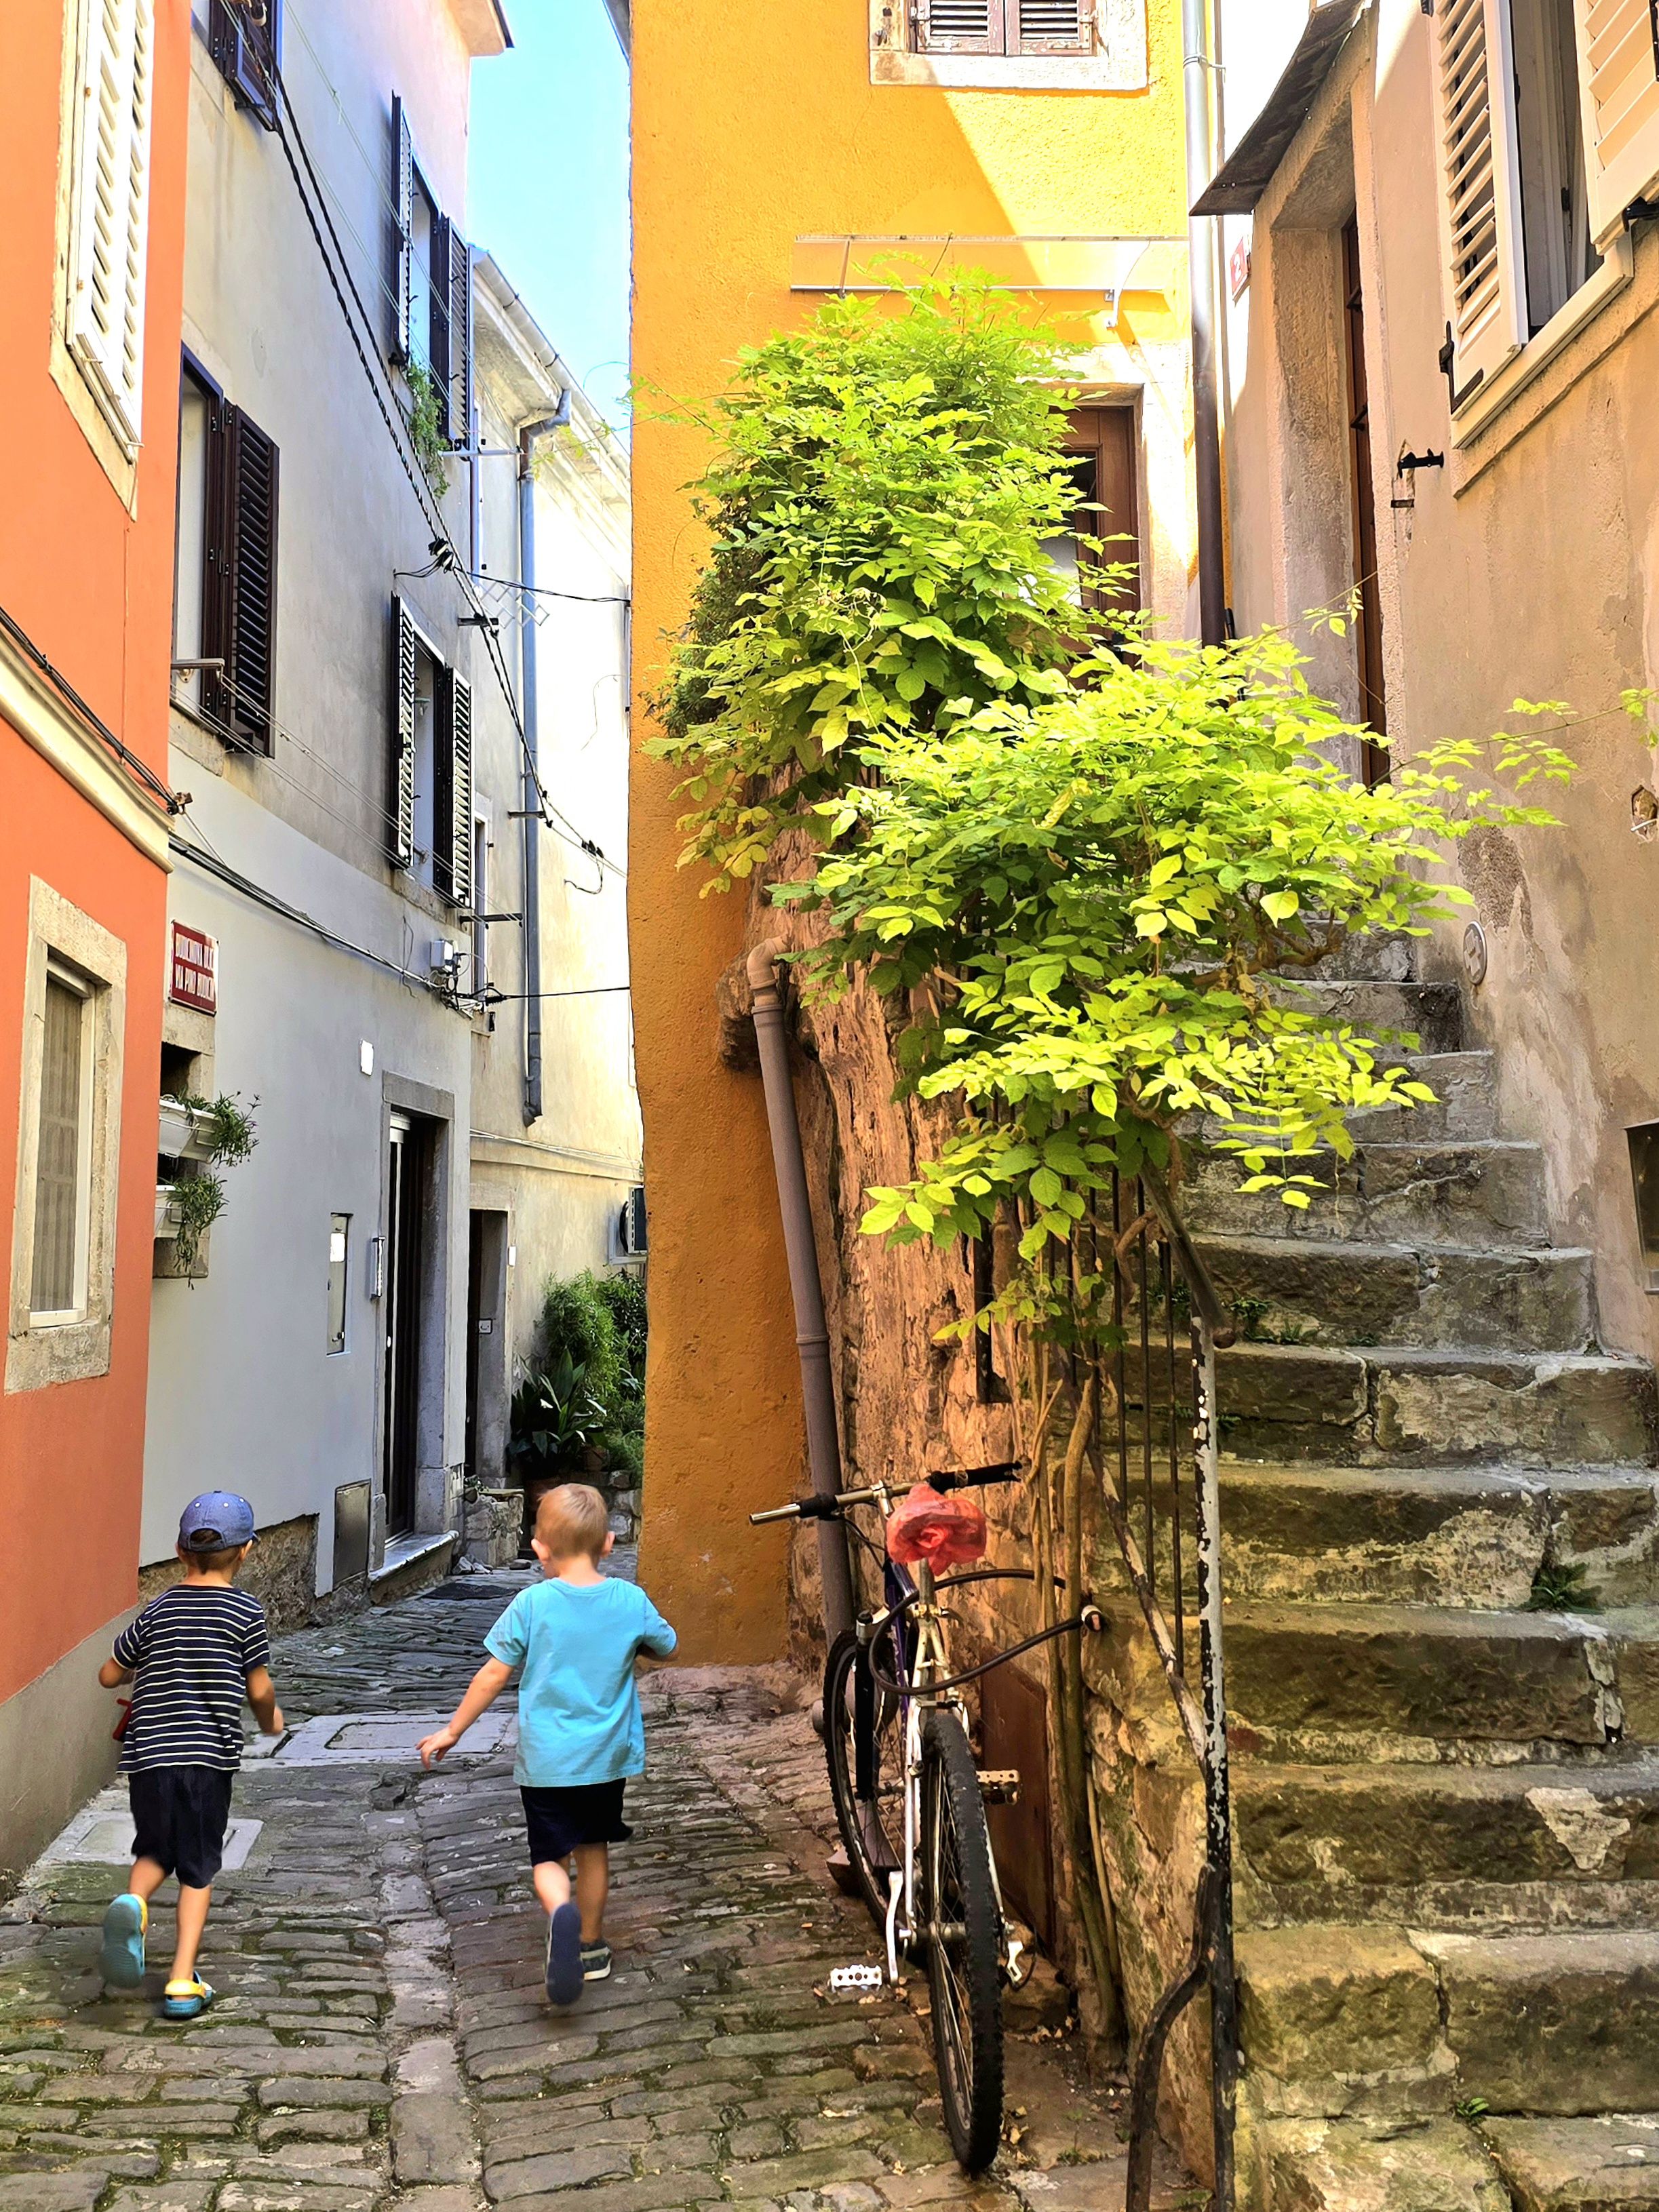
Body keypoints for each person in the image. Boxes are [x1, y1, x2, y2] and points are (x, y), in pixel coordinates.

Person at [418, 1482, 676, 2007]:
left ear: (539, 1549)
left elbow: (493, 1675)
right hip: (606, 1761)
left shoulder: (531, 1603)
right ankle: (590, 1946)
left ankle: (560, 1910)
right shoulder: (629, 1599)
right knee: (594, 1849)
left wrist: (453, 1731)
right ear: (608, 1543)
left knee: (549, 1857)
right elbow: (667, 1646)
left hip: (547, 1763)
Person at [96, 1491, 284, 2019]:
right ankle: (181, 1981)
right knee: (198, 1869)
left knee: (154, 1851)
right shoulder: (245, 1611)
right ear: (246, 1552)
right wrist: (271, 1722)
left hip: (148, 1760)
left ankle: (133, 1907)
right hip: (206, 1762)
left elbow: (110, 1672)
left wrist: (146, 1665)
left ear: (179, 1552)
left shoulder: (158, 1609)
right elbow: (259, 1686)